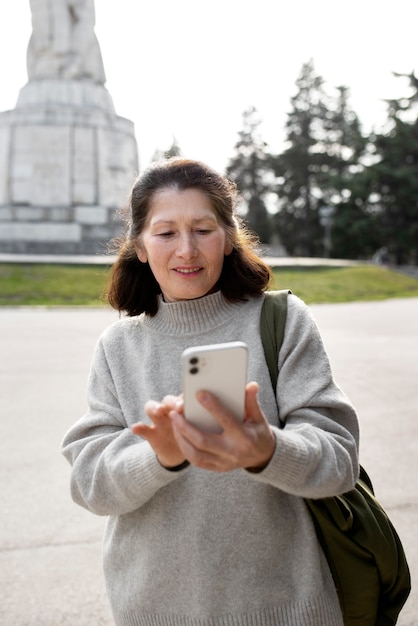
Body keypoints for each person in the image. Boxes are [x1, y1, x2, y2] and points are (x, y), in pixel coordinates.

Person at [61, 157, 360, 626]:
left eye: (203, 229)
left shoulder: (282, 321)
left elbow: (339, 464)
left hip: (287, 609)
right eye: (165, 233)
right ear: (139, 246)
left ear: (228, 236)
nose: (186, 250)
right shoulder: (118, 347)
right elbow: (89, 485)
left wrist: (267, 449)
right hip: (155, 610)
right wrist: (159, 456)